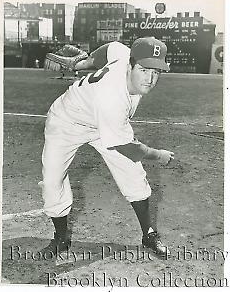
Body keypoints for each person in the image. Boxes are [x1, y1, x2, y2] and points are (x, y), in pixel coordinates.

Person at [40, 37, 174, 259]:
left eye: (156, 71)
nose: (150, 79)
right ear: (130, 64)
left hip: (104, 123)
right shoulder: (113, 98)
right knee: (53, 181)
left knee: (133, 174)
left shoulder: (123, 53)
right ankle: (61, 238)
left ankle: (148, 234)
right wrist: (159, 155)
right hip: (66, 121)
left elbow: (110, 48)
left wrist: (81, 64)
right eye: (144, 70)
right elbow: (127, 148)